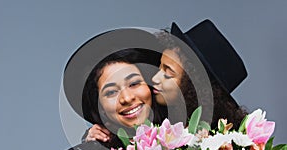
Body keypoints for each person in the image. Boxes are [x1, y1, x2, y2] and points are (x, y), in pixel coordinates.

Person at [85, 19, 248, 143]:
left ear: (194, 86)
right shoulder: (161, 122)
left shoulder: (221, 148)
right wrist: (95, 138)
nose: (154, 78)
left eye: (168, 73)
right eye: (159, 67)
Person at [50, 47, 167, 150]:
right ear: (100, 108)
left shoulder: (181, 146)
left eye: (134, 84)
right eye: (111, 92)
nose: (127, 98)